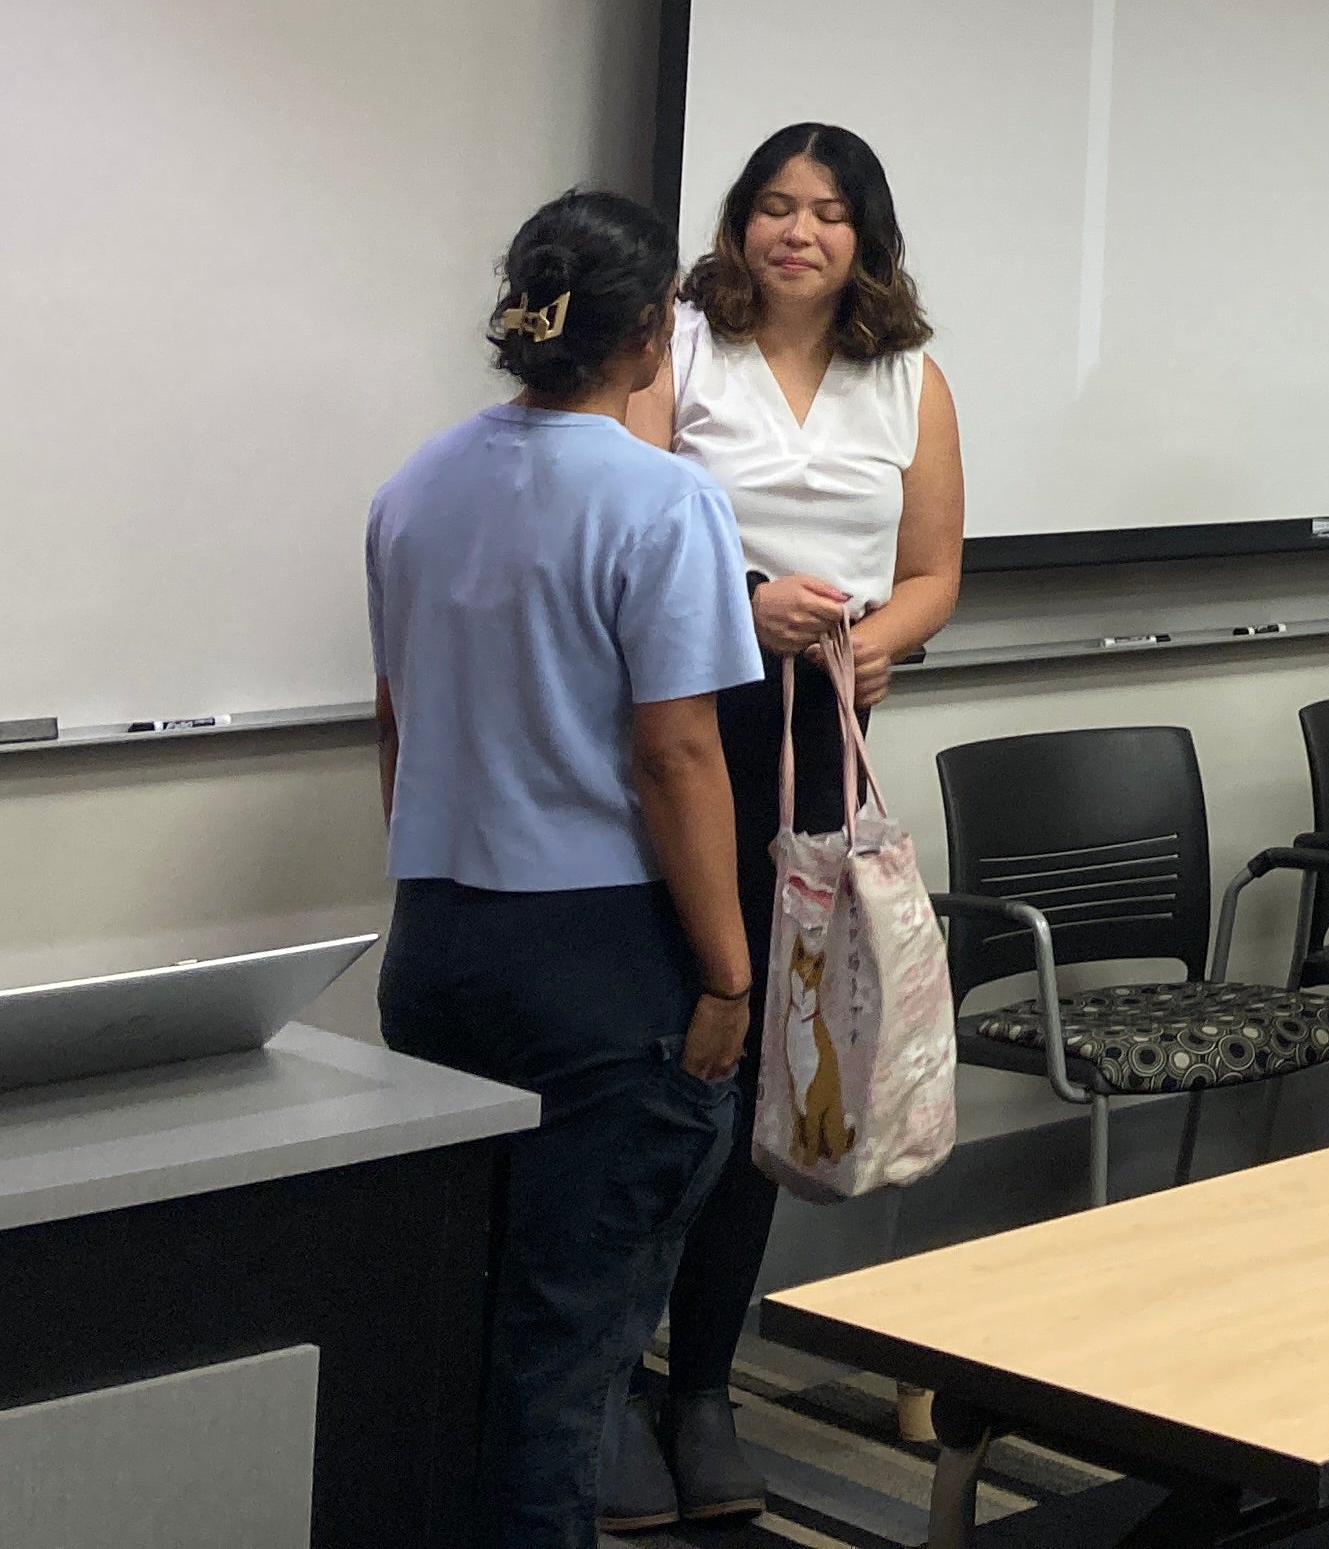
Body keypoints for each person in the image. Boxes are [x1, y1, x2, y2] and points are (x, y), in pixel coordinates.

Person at [368, 190, 764, 1549]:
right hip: (601, 972)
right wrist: (726, 971)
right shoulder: (667, 502)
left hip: (438, 944)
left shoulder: (414, 487)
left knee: (448, 1337)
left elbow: (397, 721)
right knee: (562, 1365)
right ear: (653, 330)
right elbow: (677, 761)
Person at [616, 123, 964, 1524]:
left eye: (826, 212)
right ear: (738, 223)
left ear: (864, 236)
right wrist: (737, 600)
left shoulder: (911, 378)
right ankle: (602, 1382)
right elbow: (625, 513)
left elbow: (937, 570)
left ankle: (701, 1383)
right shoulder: (678, 346)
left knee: (774, 1066)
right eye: (772, 206)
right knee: (667, 1051)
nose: (796, 232)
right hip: (686, 712)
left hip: (821, 734)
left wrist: (881, 638)